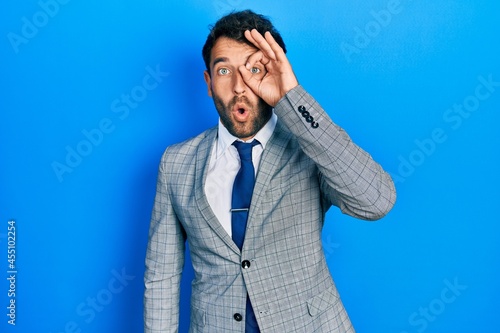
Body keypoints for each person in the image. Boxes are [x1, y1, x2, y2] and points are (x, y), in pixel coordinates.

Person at [144, 10, 396, 333]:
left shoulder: (309, 147)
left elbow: (377, 200)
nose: (239, 86)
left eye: (254, 68)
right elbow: (161, 276)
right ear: (208, 83)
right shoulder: (175, 163)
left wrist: (293, 97)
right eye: (224, 70)